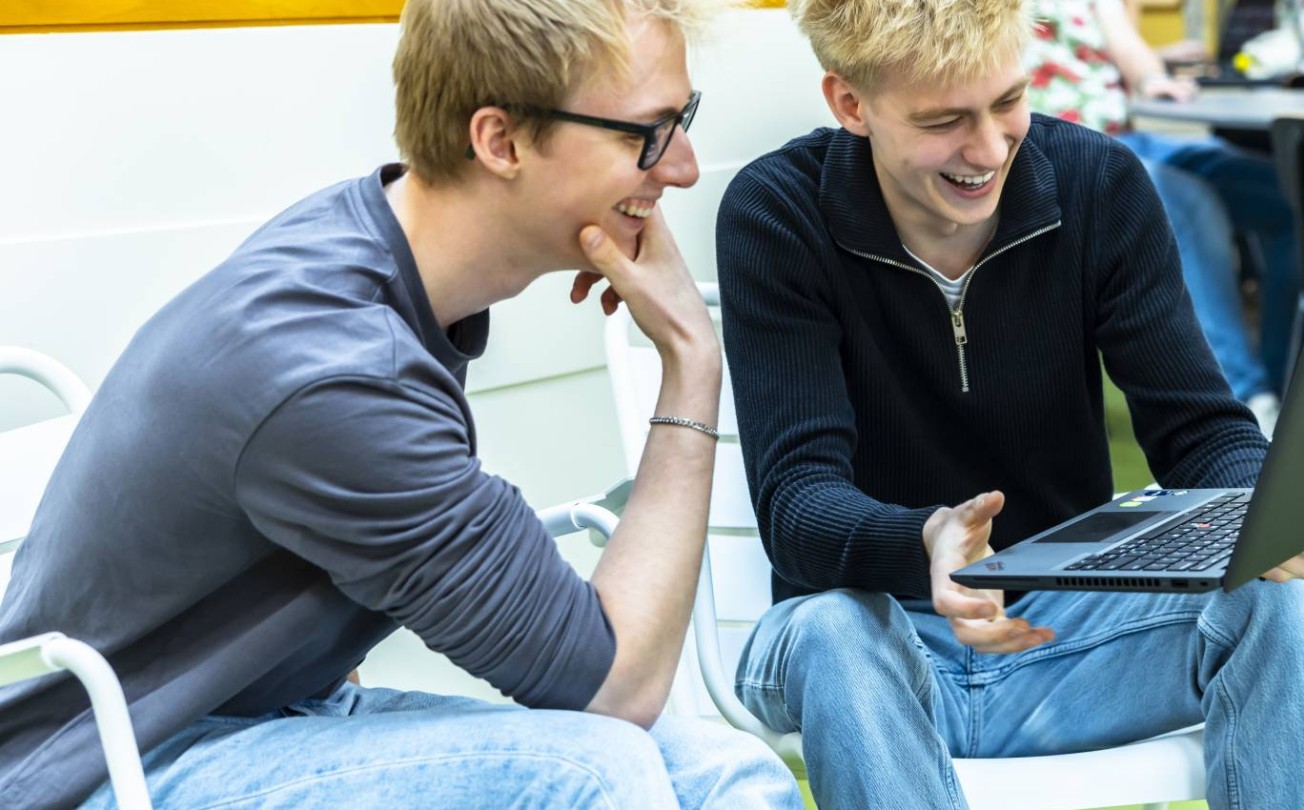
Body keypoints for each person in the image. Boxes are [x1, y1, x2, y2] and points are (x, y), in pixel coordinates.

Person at [0, 1, 801, 808]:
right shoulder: (335, 372)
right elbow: (617, 684)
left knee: (727, 773)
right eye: (647, 134)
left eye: (682, 119)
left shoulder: (376, 248)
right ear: (501, 141)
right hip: (108, 764)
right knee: (598, 775)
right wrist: (691, 359)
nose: (685, 167)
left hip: (268, 713)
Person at [715, 1, 1304, 808]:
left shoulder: (1098, 183)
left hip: (1073, 640)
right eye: (943, 120)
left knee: (1280, 591)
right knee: (831, 630)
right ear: (851, 104)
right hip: (878, 649)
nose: (988, 150)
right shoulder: (776, 213)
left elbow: (1199, 429)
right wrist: (926, 541)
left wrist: (1271, 498)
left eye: (1008, 102)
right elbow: (797, 507)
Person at [1025, 0, 1304, 428]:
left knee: (1290, 195)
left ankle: (1287, 382)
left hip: (1128, 137)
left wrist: (1153, 76)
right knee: (1183, 200)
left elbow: (1123, 41)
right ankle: (1243, 397)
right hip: (1061, 151)